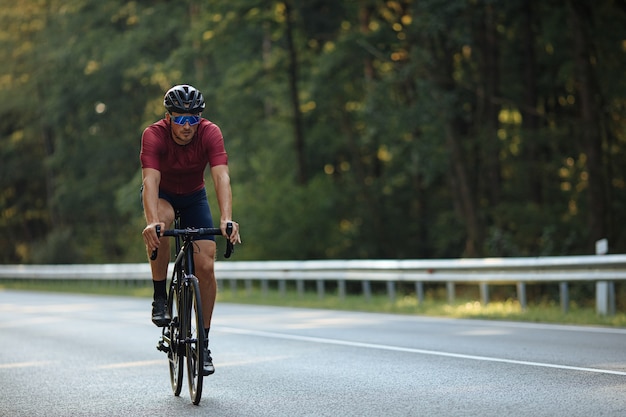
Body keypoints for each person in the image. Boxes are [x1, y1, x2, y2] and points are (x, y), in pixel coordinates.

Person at [140, 84, 240, 376]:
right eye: (180, 119)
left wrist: (226, 219)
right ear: (169, 117)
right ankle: (160, 295)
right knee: (161, 223)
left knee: (206, 265)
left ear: (200, 118)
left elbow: (221, 177)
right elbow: (150, 182)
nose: (187, 126)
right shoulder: (153, 135)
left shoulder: (210, 133)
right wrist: (151, 221)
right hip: (164, 196)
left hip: (195, 197)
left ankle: (204, 343)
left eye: (193, 119)